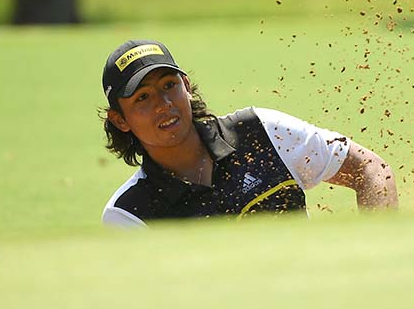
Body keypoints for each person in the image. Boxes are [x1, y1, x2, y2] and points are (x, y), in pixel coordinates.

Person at [100, 39, 398, 226]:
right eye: (143, 98)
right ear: (120, 120)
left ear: (187, 87)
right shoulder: (129, 213)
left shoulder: (261, 131)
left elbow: (369, 168)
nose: (163, 105)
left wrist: (381, 247)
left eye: (169, 86)